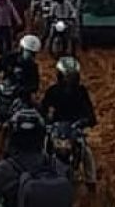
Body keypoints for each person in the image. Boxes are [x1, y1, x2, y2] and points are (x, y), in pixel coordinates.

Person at [40, 56, 98, 188]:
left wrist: (87, 121)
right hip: (55, 127)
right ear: (60, 76)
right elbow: (43, 108)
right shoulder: (52, 91)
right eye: (67, 76)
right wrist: (44, 120)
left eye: (72, 76)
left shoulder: (81, 92)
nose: (69, 80)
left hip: (74, 128)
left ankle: (91, 181)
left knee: (86, 151)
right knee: (42, 148)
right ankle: (38, 174)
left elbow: (89, 111)